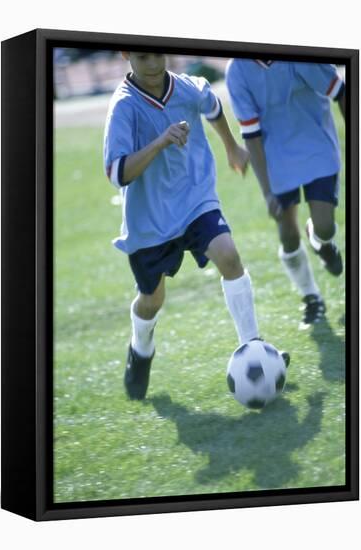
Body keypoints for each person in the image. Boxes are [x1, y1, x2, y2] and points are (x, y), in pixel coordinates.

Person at [103, 52, 288, 400]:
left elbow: (213, 105)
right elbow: (116, 172)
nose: (154, 65)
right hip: (150, 220)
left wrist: (232, 147)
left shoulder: (187, 88)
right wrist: (159, 141)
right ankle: (141, 349)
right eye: (142, 58)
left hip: (195, 200)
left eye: (158, 56)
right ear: (126, 56)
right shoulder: (124, 108)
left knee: (229, 256)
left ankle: (253, 347)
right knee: (151, 299)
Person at [226, 59, 345, 328]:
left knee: (326, 227)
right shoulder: (237, 71)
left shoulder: (300, 52)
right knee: (287, 235)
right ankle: (311, 297)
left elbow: (340, 91)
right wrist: (267, 193)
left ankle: (320, 242)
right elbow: (251, 134)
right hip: (275, 156)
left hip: (317, 145)